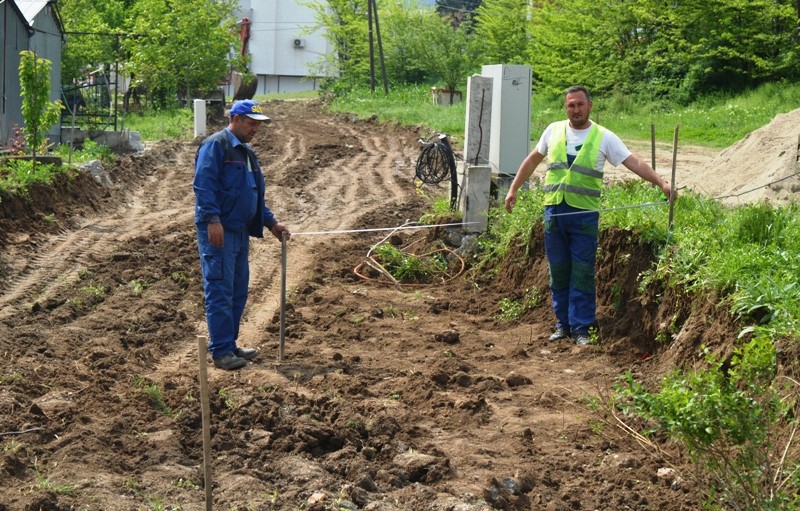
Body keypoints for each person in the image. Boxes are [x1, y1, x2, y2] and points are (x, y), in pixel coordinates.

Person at [504, 85, 673, 346]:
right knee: (558, 272)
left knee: (582, 272)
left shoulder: (603, 137)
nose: (576, 110)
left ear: (590, 106)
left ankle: (582, 328)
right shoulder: (553, 130)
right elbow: (532, 160)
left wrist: (661, 183)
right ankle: (563, 325)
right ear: (566, 108)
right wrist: (513, 188)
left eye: (580, 104)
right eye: (571, 105)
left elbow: (633, 161)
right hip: (555, 213)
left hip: (584, 216)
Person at [193, 99, 291, 370]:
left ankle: (230, 344)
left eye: (258, 125)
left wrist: (271, 223)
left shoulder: (245, 153)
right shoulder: (216, 145)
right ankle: (221, 351)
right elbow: (203, 185)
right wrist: (212, 219)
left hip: (238, 232)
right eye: (251, 123)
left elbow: (253, 194)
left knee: (237, 292)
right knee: (220, 291)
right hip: (219, 232)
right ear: (235, 119)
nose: (255, 129)